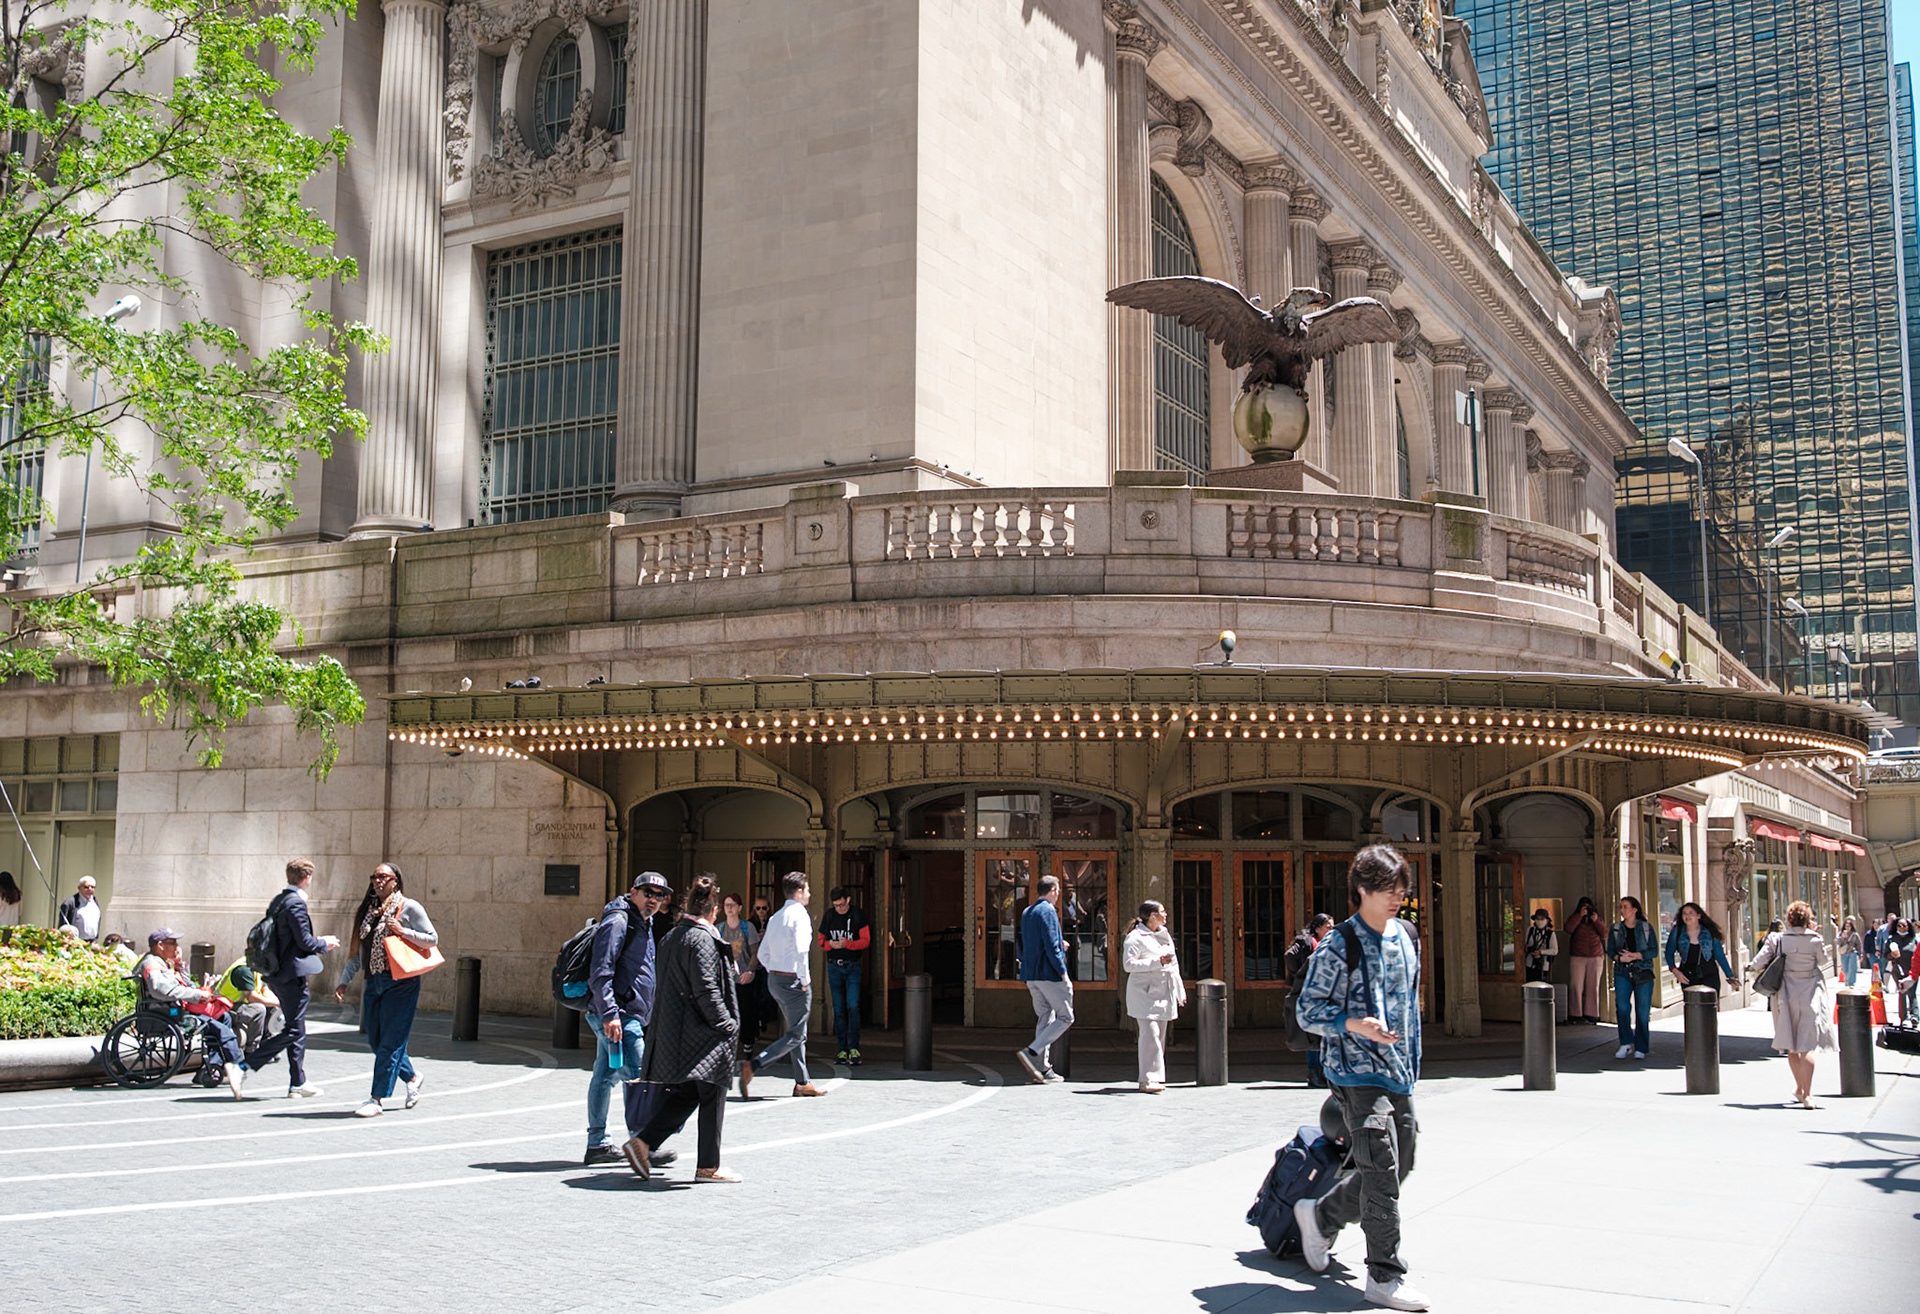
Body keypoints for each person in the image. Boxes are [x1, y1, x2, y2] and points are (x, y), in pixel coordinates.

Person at [1293, 844, 1428, 1313]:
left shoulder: (1407, 936)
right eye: (1388, 890)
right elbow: (1308, 1010)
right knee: (1381, 1169)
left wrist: (1410, 1063)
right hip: (1354, 1073)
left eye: (1402, 889)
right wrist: (1353, 1023)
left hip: (1398, 1072)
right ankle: (1384, 1275)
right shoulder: (1338, 944)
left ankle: (1322, 1214)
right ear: (1362, 890)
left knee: (1401, 1163)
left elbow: (1409, 1006)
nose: (1397, 898)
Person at [624, 874, 742, 1183]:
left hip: (680, 1032)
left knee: (689, 1093)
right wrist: (726, 1025)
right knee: (712, 1092)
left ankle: (643, 1142)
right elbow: (706, 989)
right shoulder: (701, 938)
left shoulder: (673, 935)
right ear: (713, 909)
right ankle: (708, 1166)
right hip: (703, 1033)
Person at [335, 863, 438, 1117]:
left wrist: (403, 931)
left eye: (383, 877)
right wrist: (344, 980)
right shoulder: (367, 912)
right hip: (374, 982)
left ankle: (376, 1099)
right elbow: (359, 953)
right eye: (374, 877)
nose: (377, 881)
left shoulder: (409, 907)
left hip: (401, 983)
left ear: (396, 881)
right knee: (376, 1039)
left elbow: (432, 939)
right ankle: (412, 1077)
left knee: (390, 1042)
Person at [580, 871, 670, 1166]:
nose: (653, 899)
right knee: (641, 1075)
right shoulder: (619, 921)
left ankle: (597, 1144)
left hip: (627, 1012)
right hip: (619, 1014)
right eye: (648, 893)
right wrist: (610, 1014)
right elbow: (601, 970)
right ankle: (643, 1143)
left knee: (605, 1076)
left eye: (659, 895)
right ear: (633, 892)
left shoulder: (645, 921)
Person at [240, 858, 339, 1097]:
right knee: (294, 1030)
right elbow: (304, 941)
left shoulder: (278, 901)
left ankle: (298, 1082)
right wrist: (325, 943)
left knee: (297, 1025)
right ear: (307, 878)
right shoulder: (295, 904)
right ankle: (242, 1066)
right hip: (290, 974)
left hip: (276, 972)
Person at [133, 929, 249, 1098]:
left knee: (224, 1018)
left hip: (176, 1009)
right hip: (171, 1013)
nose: (177, 946)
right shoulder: (152, 964)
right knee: (221, 1030)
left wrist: (180, 965)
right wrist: (196, 995)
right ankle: (237, 1065)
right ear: (160, 945)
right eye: (173, 943)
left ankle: (212, 1067)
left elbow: (184, 984)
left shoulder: (162, 962)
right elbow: (161, 990)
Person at [740, 872, 825, 1098]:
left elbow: (763, 951)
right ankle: (755, 1065)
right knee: (796, 1034)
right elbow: (801, 950)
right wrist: (804, 981)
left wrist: (772, 969)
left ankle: (802, 1081)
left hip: (775, 979)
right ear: (798, 891)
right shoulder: (800, 916)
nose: (809, 894)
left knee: (796, 1030)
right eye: (806, 889)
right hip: (793, 980)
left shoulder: (776, 917)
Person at [1748, 900, 1835, 1108]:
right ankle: (1807, 1093)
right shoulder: (1815, 939)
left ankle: (1799, 1088)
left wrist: (1747, 968)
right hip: (1810, 993)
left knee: (1792, 1045)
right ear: (1808, 919)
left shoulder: (1777, 939)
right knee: (1807, 1046)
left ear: (1788, 919)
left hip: (1786, 993)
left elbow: (1758, 962)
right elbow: (1824, 961)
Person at [1014, 873, 1072, 1084]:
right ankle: (1033, 1051)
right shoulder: (1048, 911)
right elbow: (1051, 944)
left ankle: (1042, 1068)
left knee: (1045, 1016)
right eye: (1058, 891)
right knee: (1066, 1017)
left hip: (1031, 974)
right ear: (1054, 890)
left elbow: (1029, 942)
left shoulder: (1028, 911)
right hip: (1049, 974)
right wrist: (1063, 971)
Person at [1123, 900, 1185, 1093]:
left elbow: (1173, 966)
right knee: (1150, 1035)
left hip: (1163, 992)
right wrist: (1156, 962)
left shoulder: (1164, 936)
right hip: (1144, 993)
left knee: (1159, 1036)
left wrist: (1180, 991)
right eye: (1162, 912)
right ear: (1151, 916)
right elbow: (1129, 965)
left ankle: (1157, 1077)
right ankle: (1147, 1078)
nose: (1165, 915)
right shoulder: (1135, 938)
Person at [818, 886, 871, 1065]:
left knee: (853, 1005)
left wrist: (847, 944)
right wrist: (830, 945)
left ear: (848, 900)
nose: (839, 908)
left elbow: (865, 941)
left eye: (841, 905)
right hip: (834, 965)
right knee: (839, 1008)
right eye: (836, 905)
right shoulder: (829, 916)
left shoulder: (858, 915)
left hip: (852, 965)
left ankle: (854, 1047)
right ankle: (842, 1049)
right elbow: (820, 940)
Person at [1286, 913, 1335, 1087]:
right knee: (1312, 1034)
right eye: (1328, 926)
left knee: (1323, 1033)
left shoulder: (1329, 944)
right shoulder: (1306, 942)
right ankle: (1314, 1073)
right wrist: (1299, 974)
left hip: (1325, 992)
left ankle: (1324, 1072)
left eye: (1332, 926)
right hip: (1310, 992)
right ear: (1317, 928)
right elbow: (1289, 956)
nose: (1331, 930)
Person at [1607, 896, 1657, 1060]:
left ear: (1635, 909)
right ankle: (1626, 1042)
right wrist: (1619, 958)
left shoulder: (1646, 928)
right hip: (1622, 971)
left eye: (1626, 907)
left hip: (1643, 972)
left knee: (1642, 1011)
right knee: (1622, 1007)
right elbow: (1610, 950)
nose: (1623, 910)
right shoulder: (1615, 929)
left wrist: (1637, 955)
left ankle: (1641, 1046)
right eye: (1621, 907)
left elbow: (1654, 951)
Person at [1663, 901, 1737, 996]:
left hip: (1709, 974)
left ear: (1698, 916)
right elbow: (1669, 952)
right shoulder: (1677, 932)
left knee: (1709, 1006)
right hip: (1688, 975)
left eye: (1691, 913)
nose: (1687, 916)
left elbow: (1720, 955)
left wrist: (1730, 975)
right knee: (1693, 1007)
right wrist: (1675, 970)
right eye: (1684, 913)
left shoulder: (1710, 932)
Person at [213, 955, 282, 1054]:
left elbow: (265, 990)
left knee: (271, 1006)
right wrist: (277, 1002)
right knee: (259, 1009)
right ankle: (251, 1050)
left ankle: (267, 1042)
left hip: (239, 1005)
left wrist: (278, 1002)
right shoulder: (243, 970)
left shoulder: (258, 967)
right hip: (225, 1007)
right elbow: (252, 997)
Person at [718, 892, 761, 1046]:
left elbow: (756, 952)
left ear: (740, 908)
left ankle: (747, 1043)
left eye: (733, 905)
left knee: (746, 1011)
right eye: (727, 905)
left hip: (744, 978)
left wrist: (750, 971)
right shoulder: (719, 929)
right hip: (726, 979)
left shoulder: (747, 927)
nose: (730, 908)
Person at [1565, 896, 1607, 1025]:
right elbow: (1568, 929)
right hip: (1578, 956)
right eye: (1584, 907)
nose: (1586, 910)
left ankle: (1591, 1014)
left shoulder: (1596, 919)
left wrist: (1596, 921)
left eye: (1588, 907)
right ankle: (1575, 1013)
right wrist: (1579, 916)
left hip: (1595, 956)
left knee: (1592, 986)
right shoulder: (1575, 917)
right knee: (1575, 985)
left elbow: (1605, 934)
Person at [1886, 918, 1917, 1025]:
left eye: (1904, 926)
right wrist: (1891, 955)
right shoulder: (1892, 940)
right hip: (1897, 968)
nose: (1902, 928)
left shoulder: (1913, 939)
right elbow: (1885, 955)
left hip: (1912, 969)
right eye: (1899, 926)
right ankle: (1903, 1017)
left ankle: (1915, 1016)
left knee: (1912, 992)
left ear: (1908, 927)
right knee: (1902, 991)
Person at [56, 876, 102, 942]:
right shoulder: (70, 903)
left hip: (92, 942)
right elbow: (63, 926)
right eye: (86, 887)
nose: (89, 889)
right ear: (79, 888)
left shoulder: (94, 902)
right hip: (75, 942)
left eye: (92, 887)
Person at [1524, 909, 1558, 984]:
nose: (1539, 921)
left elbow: (1554, 950)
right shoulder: (1530, 930)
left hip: (1543, 965)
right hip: (1529, 963)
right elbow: (1525, 944)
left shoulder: (1550, 933)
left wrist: (1541, 952)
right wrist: (1530, 949)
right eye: (1537, 919)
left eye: (1542, 919)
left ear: (1547, 920)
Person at [1836, 916, 1863, 989]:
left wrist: (1860, 954)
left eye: (1849, 926)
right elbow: (1837, 942)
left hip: (1852, 953)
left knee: (1852, 968)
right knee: (1845, 969)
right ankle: (1847, 980)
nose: (1847, 928)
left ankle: (1851, 983)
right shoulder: (1840, 934)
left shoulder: (1854, 934)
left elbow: (1859, 945)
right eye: (1846, 926)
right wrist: (1842, 937)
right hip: (1844, 953)